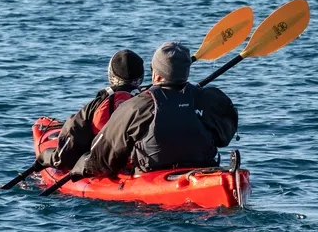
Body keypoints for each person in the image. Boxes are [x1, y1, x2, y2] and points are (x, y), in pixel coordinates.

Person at [68, 41, 238, 179]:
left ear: (155, 74)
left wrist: (82, 166)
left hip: (151, 177)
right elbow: (224, 137)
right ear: (186, 72)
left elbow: (103, 158)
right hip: (203, 171)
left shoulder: (136, 106)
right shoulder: (212, 99)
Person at [46, 49, 145, 171]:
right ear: (141, 77)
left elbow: (69, 150)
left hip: (104, 165)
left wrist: (46, 158)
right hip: (143, 164)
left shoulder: (95, 106)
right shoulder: (151, 101)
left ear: (111, 75)